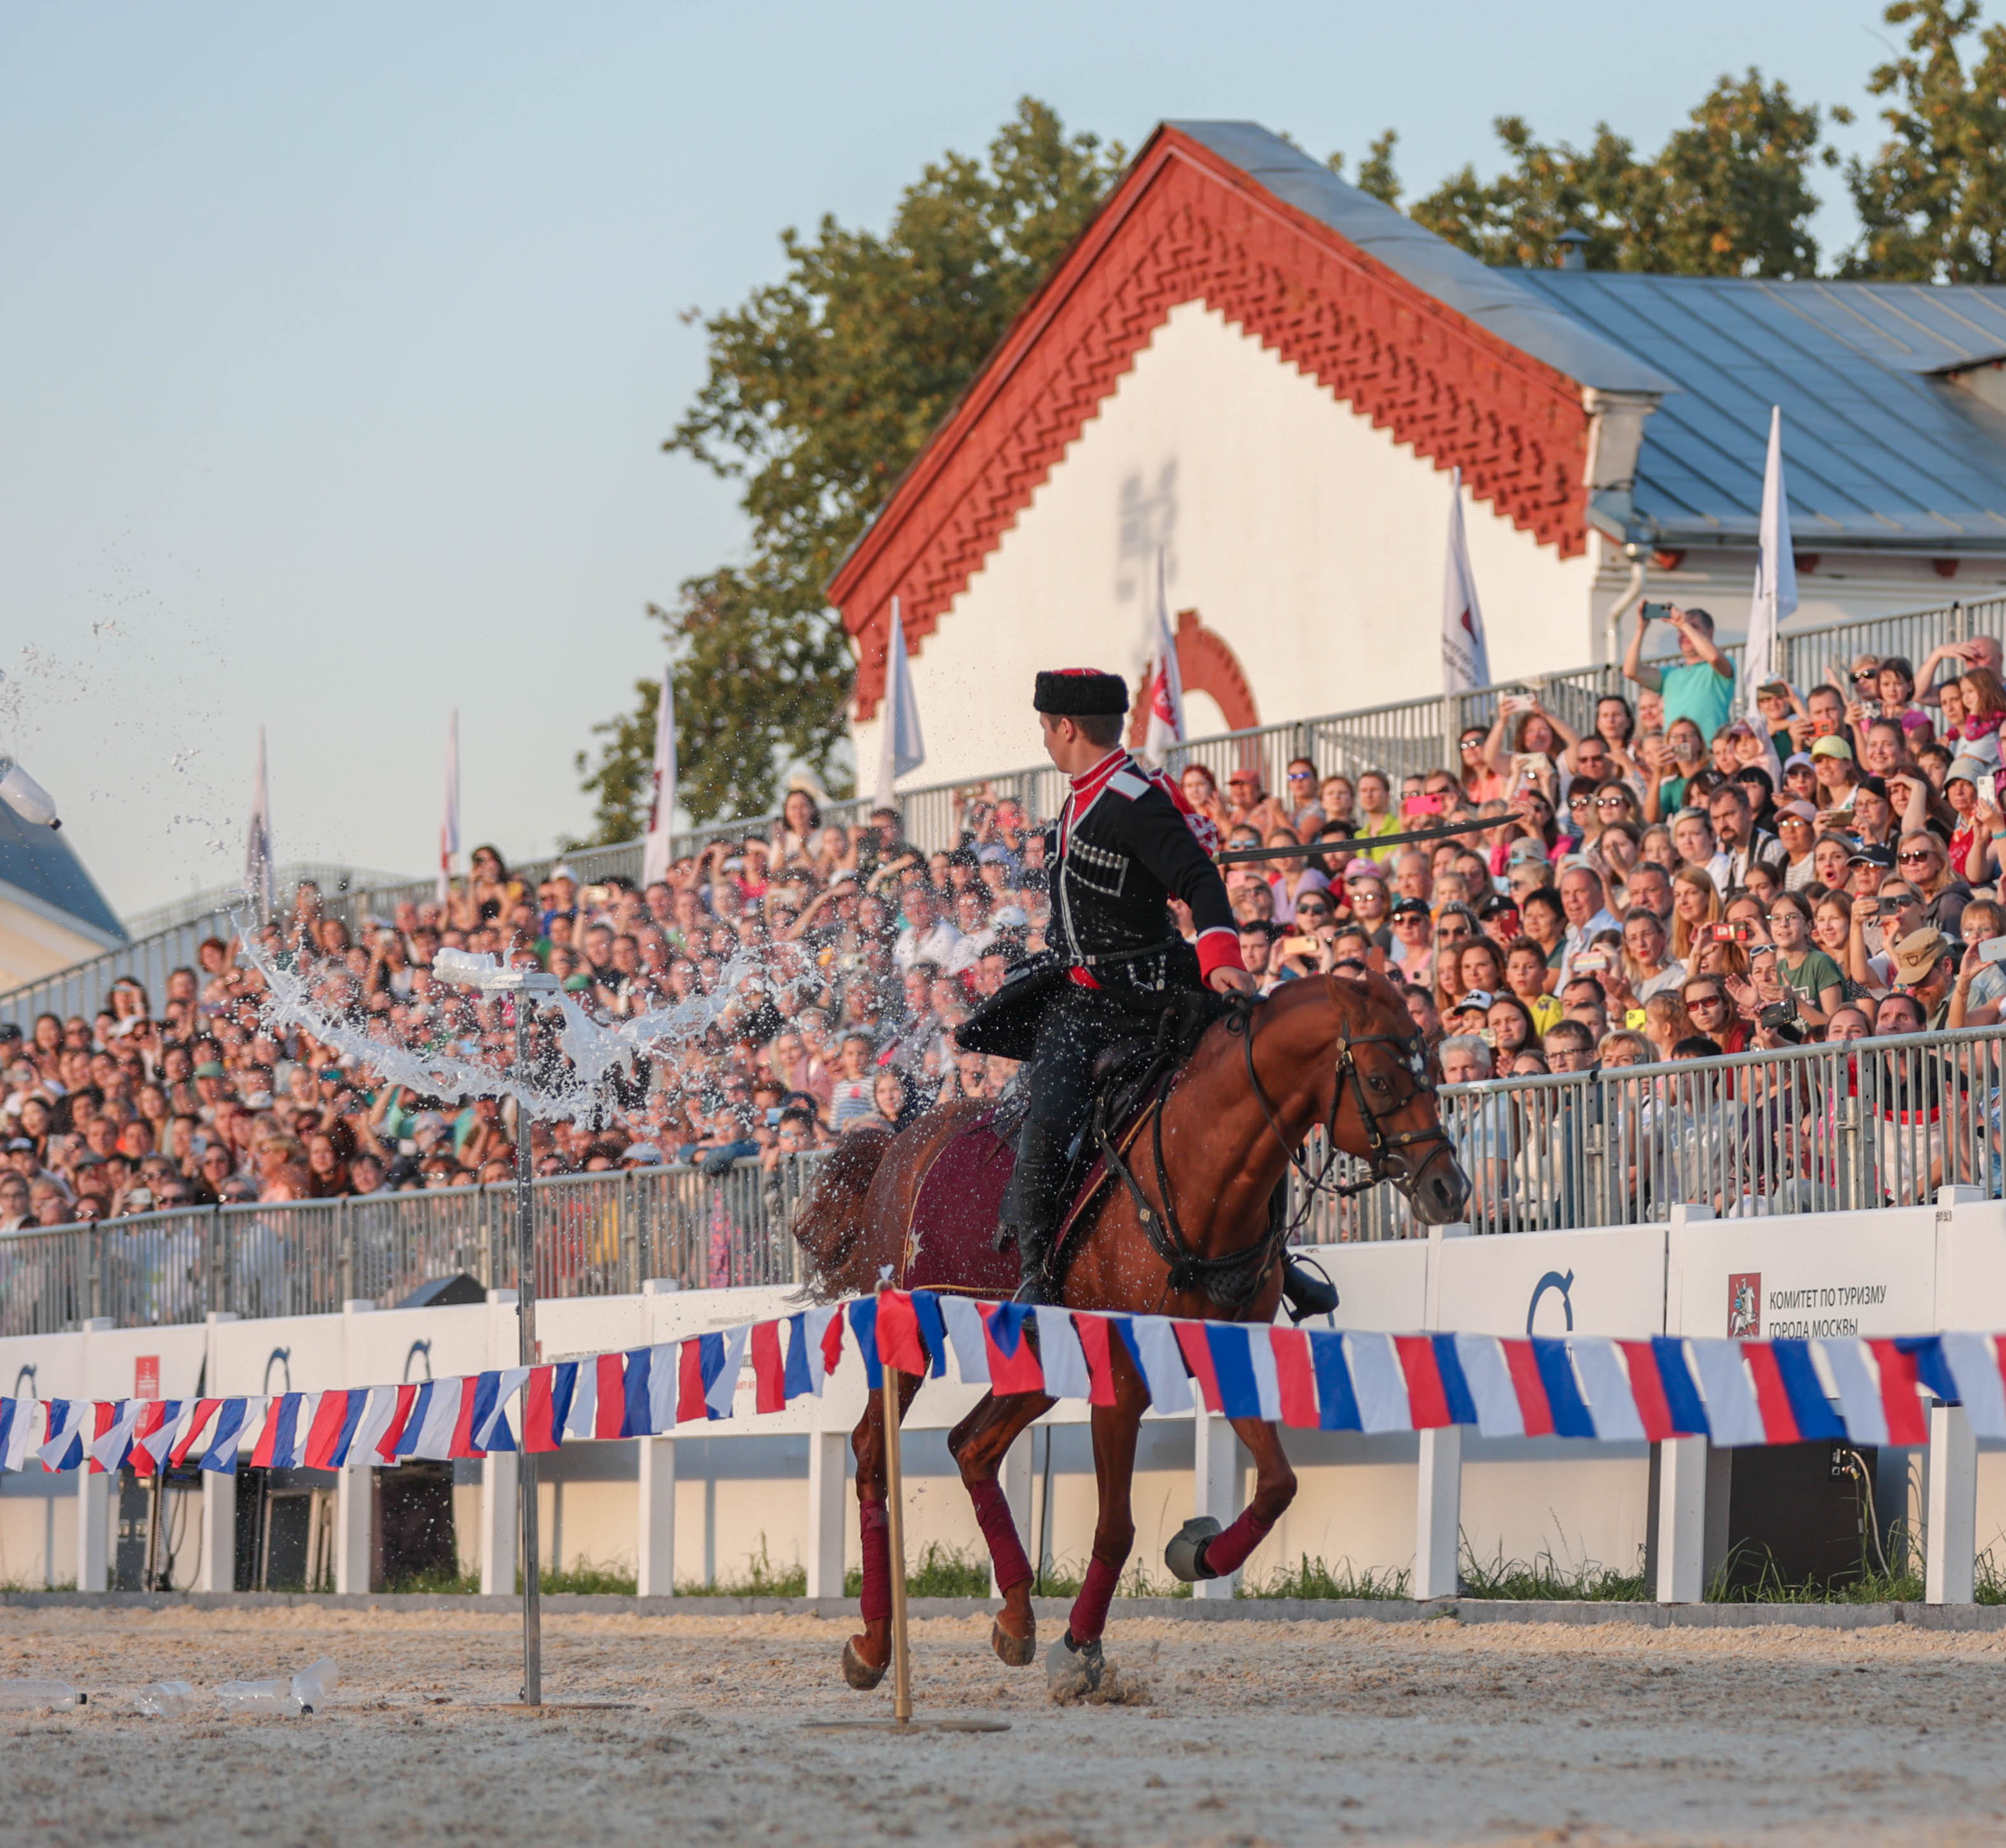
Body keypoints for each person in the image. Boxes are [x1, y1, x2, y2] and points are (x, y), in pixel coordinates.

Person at [957, 669, 1255, 1305]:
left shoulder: (1131, 797)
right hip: (1088, 995)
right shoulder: (1090, 793)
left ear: (1065, 727)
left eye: (1044, 727)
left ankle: (1271, 1256)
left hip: (1138, 1000)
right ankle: (1039, 1270)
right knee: (1044, 1117)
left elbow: (1199, 880)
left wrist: (1221, 953)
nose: (1043, 739)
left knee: (1248, 1089)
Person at [1623, 604, 1735, 743]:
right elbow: (1631, 671)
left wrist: (1684, 624)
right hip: (1675, 756)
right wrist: (1641, 629)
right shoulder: (1670, 675)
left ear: (1710, 633)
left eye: (1693, 627)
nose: (1683, 633)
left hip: (1709, 754)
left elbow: (1714, 657)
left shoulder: (1720, 667)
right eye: (1679, 630)